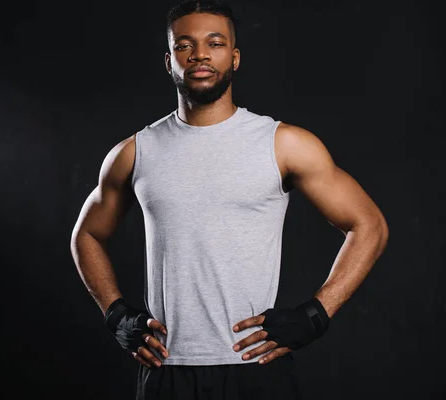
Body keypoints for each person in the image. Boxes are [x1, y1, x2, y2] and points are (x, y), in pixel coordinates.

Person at [70, 1, 389, 399]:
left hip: (255, 369)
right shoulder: (135, 152)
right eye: (184, 45)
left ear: (234, 58)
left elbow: (368, 225)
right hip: (168, 370)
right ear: (169, 61)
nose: (200, 54)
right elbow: (86, 235)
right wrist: (116, 315)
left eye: (215, 43)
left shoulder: (284, 144)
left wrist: (315, 315)